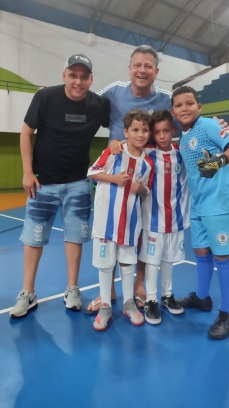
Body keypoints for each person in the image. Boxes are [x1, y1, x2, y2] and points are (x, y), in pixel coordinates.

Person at [86, 44, 228, 313]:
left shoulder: (166, 98)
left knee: (139, 235)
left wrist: (214, 124)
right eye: (137, 65)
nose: (142, 70)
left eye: (148, 66)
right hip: (118, 176)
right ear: (130, 68)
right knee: (111, 232)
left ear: (156, 71)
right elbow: (86, 101)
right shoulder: (114, 92)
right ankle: (108, 294)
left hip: (149, 175)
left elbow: (189, 115)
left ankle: (140, 287)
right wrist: (55, 96)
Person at [10, 54, 110, 318]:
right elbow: (25, 132)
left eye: (83, 76)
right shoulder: (45, 98)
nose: (78, 81)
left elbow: (127, 123)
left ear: (91, 79)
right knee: (33, 239)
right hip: (43, 182)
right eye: (73, 75)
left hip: (78, 183)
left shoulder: (99, 105)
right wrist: (27, 171)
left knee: (75, 237)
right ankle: (27, 292)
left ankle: (72, 289)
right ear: (64, 75)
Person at [171, 86, 229, 340]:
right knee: (201, 253)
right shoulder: (183, 138)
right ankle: (203, 299)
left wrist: (216, 163)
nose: (184, 108)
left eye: (189, 103)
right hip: (199, 206)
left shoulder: (210, 126)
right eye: (179, 105)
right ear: (173, 111)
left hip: (220, 205)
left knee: (223, 257)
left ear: (199, 107)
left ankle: (228, 314)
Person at [88, 109, 155, 331]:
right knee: (106, 264)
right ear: (126, 132)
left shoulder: (148, 164)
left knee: (127, 263)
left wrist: (140, 188)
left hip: (130, 223)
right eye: (135, 130)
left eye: (145, 130)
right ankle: (106, 305)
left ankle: (128, 303)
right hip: (105, 222)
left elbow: (146, 191)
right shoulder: (114, 151)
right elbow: (92, 172)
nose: (140, 134)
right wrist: (115, 179)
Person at [139, 110, 190, 325]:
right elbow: (126, 145)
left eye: (166, 131)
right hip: (152, 220)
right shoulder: (146, 153)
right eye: (157, 132)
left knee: (168, 259)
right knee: (152, 260)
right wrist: (115, 142)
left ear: (174, 131)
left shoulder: (182, 152)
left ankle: (167, 295)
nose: (161, 136)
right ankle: (150, 299)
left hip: (176, 219)